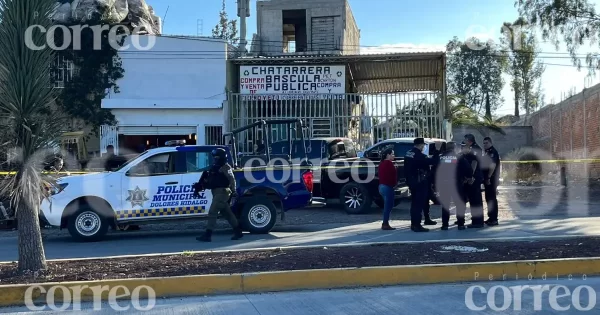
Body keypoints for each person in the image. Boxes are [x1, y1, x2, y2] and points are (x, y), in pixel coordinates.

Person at [195, 148, 243, 242]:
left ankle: (208, 234)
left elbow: (231, 179)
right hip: (216, 192)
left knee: (212, 212)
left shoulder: (225, 166)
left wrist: (234, 191)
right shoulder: (215, 166)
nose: (215, 159)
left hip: (223, 192)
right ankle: (238, 231)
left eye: (216, 157)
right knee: (227, 213)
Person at [404, 138, 436, 232]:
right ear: (420, 145)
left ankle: (414, 224)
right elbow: (431, 162)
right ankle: (417, 225)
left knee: (414, 203)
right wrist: (437, 155)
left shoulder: (408, 153)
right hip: (419, 182)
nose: (423, 147)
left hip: (411, 182)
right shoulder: (419, 155)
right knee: (418, 204)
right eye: (423, 145)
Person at [463, 137, 485, 228]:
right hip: (474, 177)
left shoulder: (475, 149)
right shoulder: (472, 148)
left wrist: (470, 176)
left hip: (474, 178)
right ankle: (476, 220)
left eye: (465, 140)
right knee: (473, 200)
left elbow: (474, 163)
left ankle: (478, 221)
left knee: (475, 200)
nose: (464, 142)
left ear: (469, 140)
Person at [482, 137, 500, 226]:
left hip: (492, 179)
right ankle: (490, 217)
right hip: (487, 179)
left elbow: (492, 165)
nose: (484, 145)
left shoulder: (493, 152)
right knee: (488, 198)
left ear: (490, 142)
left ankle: (494, 219)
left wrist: (488, 177)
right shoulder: (487, 152)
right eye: (483, 143)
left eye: (486, 143)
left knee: (492, 199)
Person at [378, 147, 397, 230]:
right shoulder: (389, 163)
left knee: (388, 205)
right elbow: (392, 176)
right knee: (388, 206)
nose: (394, 156)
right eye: (392, 154)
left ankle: (385, 222)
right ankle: (385, 223)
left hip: (381, 186)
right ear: (388, 155)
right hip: (387, 186)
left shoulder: (381, 163)